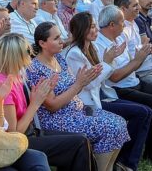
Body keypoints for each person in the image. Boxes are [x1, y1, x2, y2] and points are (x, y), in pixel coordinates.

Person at [27, 21, 129, 171]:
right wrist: (78, 84)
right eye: (56, 38)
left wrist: (83, 80)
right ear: (42, 43)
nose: (62, 41)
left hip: (78, 112)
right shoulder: (36, 68)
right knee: (111, 127)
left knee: (119, 122)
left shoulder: (59, 59)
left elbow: (73, 87)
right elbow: (52, 106)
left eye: (60, 37)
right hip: (58, 120)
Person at [0, 33, 97, 171]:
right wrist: (36, 102)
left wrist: (43, 92)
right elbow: (14, 133)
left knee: (81, 141)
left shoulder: (15, 75)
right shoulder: (2, 84)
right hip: (18, 142)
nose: (32, 54)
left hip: (30, 133)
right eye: (28, 51)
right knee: (79, 143)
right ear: (16, 55)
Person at [66, 12, 152, 171]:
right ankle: (125, 163)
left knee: (144, 112)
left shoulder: (89, 47)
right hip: (88, 104)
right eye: (91, 27)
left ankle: (124, 163)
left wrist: (108, 61)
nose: (95, 30)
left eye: (95, 26)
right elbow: (88, 85)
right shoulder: (74, 54)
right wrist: (107, 62)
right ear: (82, 29)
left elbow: (98, 79)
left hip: (103, 96)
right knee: (141, 112)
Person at [95, 5, 152, 161]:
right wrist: (138, 60)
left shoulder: (120, 37)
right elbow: (114, 77)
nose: (125, 24)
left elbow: (131, 63)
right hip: (119, 89)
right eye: (122, 22)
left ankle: (146, 151)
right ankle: (129, 158)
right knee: (146, 108)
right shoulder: (100, 45)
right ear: (112, 25)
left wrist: (142, 55)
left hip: (133, 81)